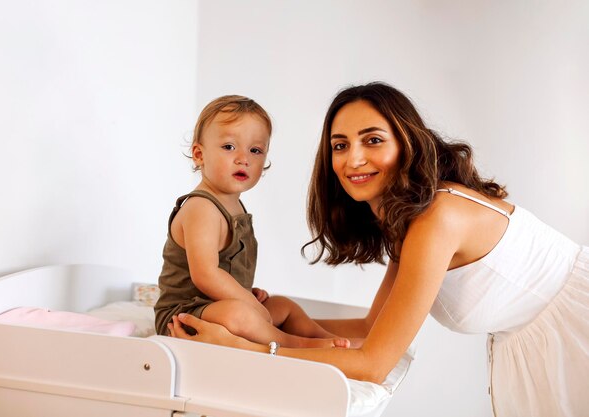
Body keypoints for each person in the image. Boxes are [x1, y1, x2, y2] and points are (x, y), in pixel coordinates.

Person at [168, 83, 589, 417]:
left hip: (575, 335)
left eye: (372, 140)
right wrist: (290, 320)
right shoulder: (413, 219)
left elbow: (374, 363)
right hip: (541, 348)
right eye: (340, 145)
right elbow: (374, 327)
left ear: (407, 142)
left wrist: (253, 349)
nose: (353, 159)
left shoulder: (436, 219)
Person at [154, 94, 349, 349]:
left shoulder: (233, 205)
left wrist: (248, 292)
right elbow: (205, 275)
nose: (243, 158)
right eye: (229, 147)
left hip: (218, 306)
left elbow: (228, 268)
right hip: (184, 316)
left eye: (255, 150)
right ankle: (294, 344)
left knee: (283, 306)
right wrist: (247, 302)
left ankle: (326, 339)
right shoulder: (201, 208)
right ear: (199, 155)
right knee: (239, 315)